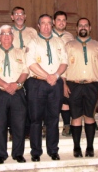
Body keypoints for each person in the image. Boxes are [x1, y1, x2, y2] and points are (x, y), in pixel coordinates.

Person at [25, 14, 68, 162]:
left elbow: (64, 62)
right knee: (36, 119)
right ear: (38, 26)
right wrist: (47, 76)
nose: (46, 26)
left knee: (54, 118)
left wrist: (55, 76)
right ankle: (36, 152)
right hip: (37, 83)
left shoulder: (59, 42)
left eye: (49, 23)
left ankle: (53, 150)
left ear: (52, 25)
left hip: (55, 84)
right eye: (43, 23)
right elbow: (31, 63)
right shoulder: (33, 42)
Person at [64, 18, 98, 158]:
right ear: (76, 29)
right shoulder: (69, 45)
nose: (83, 27)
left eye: (86, 25)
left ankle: (90, 147)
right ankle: (76, 147)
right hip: (73, 85)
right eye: (80, 25)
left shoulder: (97, 46)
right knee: (75, 117)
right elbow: (63, 66)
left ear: (90, 28)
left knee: (89, 117)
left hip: (91, 85)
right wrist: (63, 83)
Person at [0, 25, 29, 164]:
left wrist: (16, 84)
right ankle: (1, 153)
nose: (6, 36)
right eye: (3, 34)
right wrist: (5, 85)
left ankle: (18, 153)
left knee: (19, 124)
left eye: (9, 33)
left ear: (12, 36)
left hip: (17, 93)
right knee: (0, 125)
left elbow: (25, 71)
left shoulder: (20, 53)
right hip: (0, 93)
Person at [10, 6, 38, 140]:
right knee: (14, 102)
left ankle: (28, 130)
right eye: (16, 14)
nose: (19, 16)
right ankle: (12, 130)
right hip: (14, 72)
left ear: (25, 16)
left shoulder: (32, 32)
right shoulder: (8, 32)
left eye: (21, 14)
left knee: (30, 101)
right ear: (12, 17)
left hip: (31, 72)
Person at [52, 10, 74, 137]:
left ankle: (67, 125)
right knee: (49, 100)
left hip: (67, 72)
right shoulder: (48, 35)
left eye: (63, 20)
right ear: (54, 22)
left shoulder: (69, 37)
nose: (61, 23)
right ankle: (46, 126)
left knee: (65, 99)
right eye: (58, 20)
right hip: (51, 73)